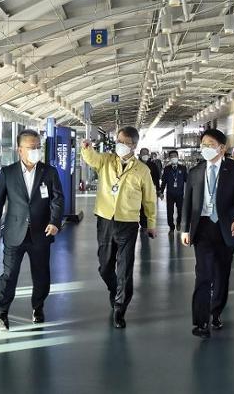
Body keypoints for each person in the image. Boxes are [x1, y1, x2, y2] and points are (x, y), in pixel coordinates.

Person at [0, 129, 64, 331]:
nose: (36, 151)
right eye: (31, 147)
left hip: (41, 232)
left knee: (41, 275)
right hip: (14, 232)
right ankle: (1, 311)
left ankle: (38, 307)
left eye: (38, 147)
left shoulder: (49, 172)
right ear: (20, 150)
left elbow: (57, 199)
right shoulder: (8, 173)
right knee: (9, 275)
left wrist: (54, 222)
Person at [81, 127, 157, 329]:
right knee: (105, 267)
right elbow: (91, 158)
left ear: (134, 145)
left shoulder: (142, 170)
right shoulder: (106, 160)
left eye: (124, 142)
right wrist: (86, 148)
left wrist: (151, 224)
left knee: (124, 268)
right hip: (105, 219)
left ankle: (119, 309)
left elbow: (149, 200)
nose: (120, 145)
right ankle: (115, 291)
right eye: (118, 141)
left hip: (128, 223)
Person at [181, 129, 234, 339]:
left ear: (222, 148)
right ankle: (201, 322)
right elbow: (187, 203)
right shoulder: (195, 172)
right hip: (202, 229)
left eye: (210, 144)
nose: (205, 148)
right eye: (203, 144)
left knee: (221, 275)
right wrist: (185, 228)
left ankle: (216, 312)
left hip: (225, 229)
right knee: (203, 275)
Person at [160, 150, 188, 233]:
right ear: (169, 158)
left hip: (180, 194)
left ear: (178, 157)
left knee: (180, 211)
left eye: (175, 156)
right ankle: (171, 227)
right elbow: (164, 181)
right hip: (170, 194)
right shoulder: (167, 169)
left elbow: (187, 180)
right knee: (170, 211)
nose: (173, 157)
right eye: (171, 156)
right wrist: (161, 192)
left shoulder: (183, 168)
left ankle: (178, 222)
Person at [139, 148, 161, 230]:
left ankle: (146, 224)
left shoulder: (152, 165)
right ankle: (142, 223)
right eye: (143, 153)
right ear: (140, 154)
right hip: (138, 189)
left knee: (148, 206)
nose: (145, 155)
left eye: (146, 153)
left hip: (149, 189)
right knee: (140, 207)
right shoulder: (135, 164)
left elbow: (156, 178)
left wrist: (158, 189)